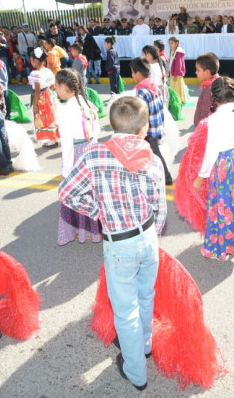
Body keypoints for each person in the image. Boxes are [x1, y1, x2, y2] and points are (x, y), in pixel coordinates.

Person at [58, 96, 165, 391]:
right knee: (146, 297)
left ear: (112, 124)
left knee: (125, 309)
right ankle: (144, 347)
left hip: (119, 243)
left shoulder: (94, 155)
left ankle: (136, 372)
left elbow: (66, 193)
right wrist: (153, 233)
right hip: (147, 237)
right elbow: (160, 205)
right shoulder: (152, 159)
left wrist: (99, 212)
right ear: (143, 128)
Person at [192, 77, 234, 260]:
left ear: (214, 98)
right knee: (232, 202)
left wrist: (201, 176)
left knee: (220, 204)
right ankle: (232, 244)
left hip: (220, 163)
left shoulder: (215, 119)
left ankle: (219, 247)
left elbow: (211, 151)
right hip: (233, 159)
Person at [54, 68, 101, 244]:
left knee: (75, 193)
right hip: (91, 151)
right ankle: (94, 231)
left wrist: (65, 171)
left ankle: (78, 231)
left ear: (64, 86)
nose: (56, 88)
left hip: (76, 154)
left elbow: (66, 144)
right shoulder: (88, 104)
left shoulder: (65, 111)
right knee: (91, 192)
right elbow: (96, 131)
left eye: (57, 85)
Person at [130, 57, 173, 184]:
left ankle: (167, 178)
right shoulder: (153, 85)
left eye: (132, 72)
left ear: (138, 73)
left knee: (155, 155)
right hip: (157, 127)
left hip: (149, 132)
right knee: (152, 155)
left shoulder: (142, 91)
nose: (132, 75)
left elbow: (140, 114)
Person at [29, 48, 59, 147]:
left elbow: (37, 92)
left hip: (42, 97)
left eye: (31, 59)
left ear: (35, 61)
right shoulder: (47, 71)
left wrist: (35, 104)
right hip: (49, 95)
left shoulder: (36, 74)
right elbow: (52, 86)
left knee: (43, 117)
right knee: (50, 116)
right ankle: (53, 138)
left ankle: (50, 139)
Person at [194, 53, 220, 126]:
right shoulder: (216, 82)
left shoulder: (209, 89)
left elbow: (205, 113)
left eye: (198, 70)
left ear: (207, 72)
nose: (196, 72)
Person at [168, 37, 187, 104]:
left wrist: (175, 74)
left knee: (177, 88)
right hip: (172, 73)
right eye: (169, 43)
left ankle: (178, 101)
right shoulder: (173, 50)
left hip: (176, 74)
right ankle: (175, 100)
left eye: (172, 43)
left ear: (177, 43)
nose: (170, 45)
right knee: (173, 87)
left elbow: (179, 64)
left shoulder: (178, 52)